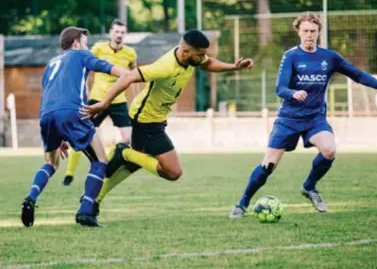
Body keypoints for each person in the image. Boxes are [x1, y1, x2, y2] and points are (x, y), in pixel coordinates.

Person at [229, 11, 377, 218]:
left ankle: (309, 187)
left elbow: (357, 74)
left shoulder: (330, 57)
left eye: (313, 31)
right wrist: (293, 93)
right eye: (306, 31)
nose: (309, 35)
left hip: (315, 118)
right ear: (298, 32)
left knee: (329, 150)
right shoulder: (291, 56)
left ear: (319, 32)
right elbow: (280, 88)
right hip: (289, 119)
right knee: (269, 164)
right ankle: (242, 203)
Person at [80, 29, 253, 213]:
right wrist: (104, 102)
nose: (203, 57)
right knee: (173, 171)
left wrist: (234, 66)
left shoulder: (190, 58)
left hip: (156, 119)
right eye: (199, 54)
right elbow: (128, 76)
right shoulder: (165, 67)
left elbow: (208, 63)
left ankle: (95, 200)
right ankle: (124, 153)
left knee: (137, 164)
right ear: (186, 51)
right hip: (145, 120)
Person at [21, 26, 126, 227]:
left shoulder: (51, 64)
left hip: (46, 116)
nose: (87, 47)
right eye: (85, 43)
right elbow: (108, 68)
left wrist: (58, 132)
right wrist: (133, 74)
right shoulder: (81, 55)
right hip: (73, 112)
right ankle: (86, 211)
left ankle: (31, 197)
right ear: (76, 43)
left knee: (51, 164)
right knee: (101, 160)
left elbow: (50, 93)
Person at [63, 19, 136, 186]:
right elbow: (86, 67)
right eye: (116, 31)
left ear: (125, 35)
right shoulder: (98, 48)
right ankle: (70, 172)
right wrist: (85, 90)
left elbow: (132, 73)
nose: (119, 35)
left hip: (118, 99)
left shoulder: (130, 53)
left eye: (122, 32)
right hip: (98, 98)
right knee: (82, 133)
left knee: (127, 138)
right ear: (111, 32)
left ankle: (108, 163)